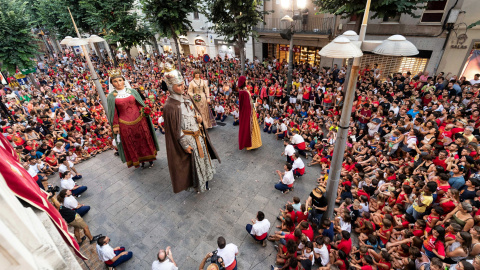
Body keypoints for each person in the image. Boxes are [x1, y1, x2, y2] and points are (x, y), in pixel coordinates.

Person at [162, 58, 220, 193]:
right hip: (188, 140)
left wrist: (199, 118)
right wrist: (184, 144)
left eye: (183, 84)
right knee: (194, 164)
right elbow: (174, 128)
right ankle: (198, 184)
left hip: (198, 135)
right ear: (171, 87)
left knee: (203, 159)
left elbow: (194, 112)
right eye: (179, 85)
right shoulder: (169, 106)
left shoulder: (187, 98)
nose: (182, 87)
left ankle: (205, 180)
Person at [106, 68, 159, 168]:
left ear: (123, 80)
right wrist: (115, 125)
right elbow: (113, 113)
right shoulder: (111, 97)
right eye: (115, 81)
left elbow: (138, 103)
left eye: (120, 80)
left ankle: (151, 158)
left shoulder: (132, 91)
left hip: (140, 120)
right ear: (112, 83)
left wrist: (144, 110)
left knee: (145, 139)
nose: (118, 83)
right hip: (124, 124)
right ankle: (139, 160)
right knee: (133, 143)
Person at [238, 75, 262, 150]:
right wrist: (255, 104)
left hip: (249, 111)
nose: (247, 81)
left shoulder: (243, 90)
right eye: (245, 80)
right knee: (250, 127)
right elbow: (246, 105)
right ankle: (251, 144)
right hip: (249, 112)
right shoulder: (244, 92)